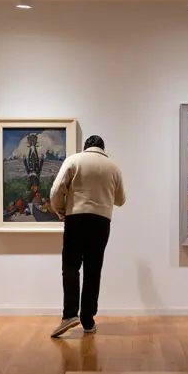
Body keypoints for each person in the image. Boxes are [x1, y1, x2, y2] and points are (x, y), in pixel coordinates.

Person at [49, 135, 126, 338]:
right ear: (102, 148)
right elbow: (121, 200)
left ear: (86, 147)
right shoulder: (113, 167)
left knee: (71, 266)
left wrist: (59, 209)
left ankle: (69, 315)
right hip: (101, 222)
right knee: (93, 270)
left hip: (76, 218)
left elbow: (57, 189)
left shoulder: (74, 160)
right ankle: (88, 320)